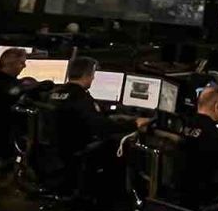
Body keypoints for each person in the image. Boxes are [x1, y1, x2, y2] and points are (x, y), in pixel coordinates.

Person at [46, 57, 149, 194]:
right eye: (93, 75)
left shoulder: (53, 93)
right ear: (87, 76)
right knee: (121, 142)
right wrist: (134, 124)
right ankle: (119, 194)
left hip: (55, 150)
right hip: (76, 151)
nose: (93, 78)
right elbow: (102, 127)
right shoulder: (81, 98)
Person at [0, 47, 32, 165]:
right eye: (21, 63)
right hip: (3, 134)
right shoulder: (5, 86)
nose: (24, 66)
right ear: (10, 63)